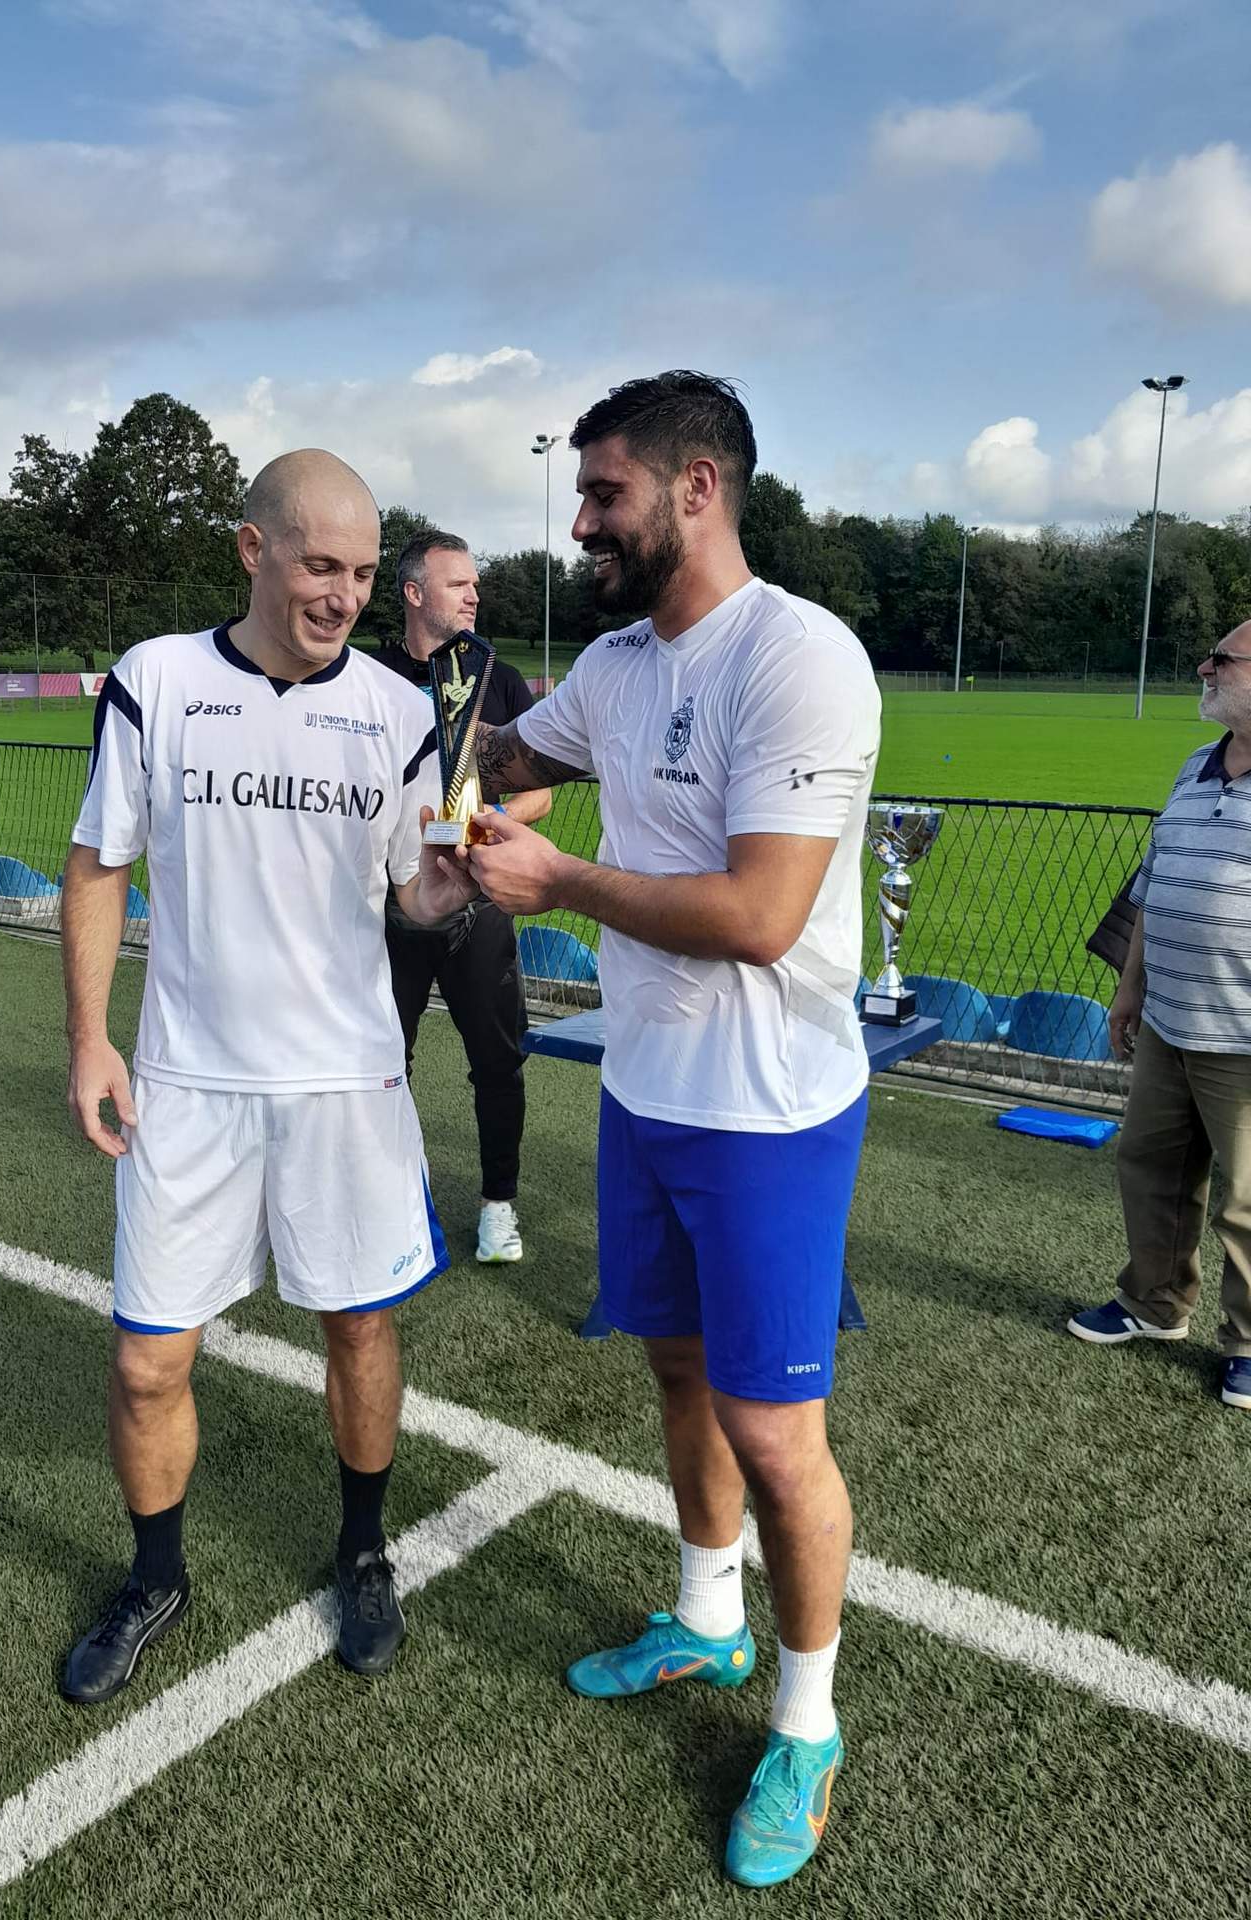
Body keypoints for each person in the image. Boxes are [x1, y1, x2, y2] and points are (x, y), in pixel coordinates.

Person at [468, 372, 880, 1888]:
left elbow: (763, 916)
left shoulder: (799, 657)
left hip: (770, 1113)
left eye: (606, 494)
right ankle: (709, 1619)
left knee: (775, 1434)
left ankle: (807, 1725)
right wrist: (377, 709)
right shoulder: (618, 663)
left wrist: (559, 881)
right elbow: (506, 755)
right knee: (676, 1370)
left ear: (696, 489)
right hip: (645, 1087)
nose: (582, 522)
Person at [59, 449, 474, 1702]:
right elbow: (100, 865)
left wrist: (451, 888)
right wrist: (89, 1039)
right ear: (252, 549)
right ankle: (156, 1576)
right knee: (148, 1359)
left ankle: (364, 1551)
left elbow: (415, 892)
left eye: (364, 573)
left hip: (347, 1085)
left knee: (359, 1325)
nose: (344, 595)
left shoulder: (400, 711)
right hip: (189, 1084)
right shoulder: (158, 682)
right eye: (320, 565)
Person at [1069, 621, 1251, 1411]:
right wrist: (1130, 988)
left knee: (1246, 1200)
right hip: (1169, 1020)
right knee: (1150, 1166)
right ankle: (1155, 1303)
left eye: (1223, 659)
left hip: (1240, 1034)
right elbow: (1151, 884)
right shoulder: (1194, 768)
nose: (1205, 668)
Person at [379, 531, 551, 1263]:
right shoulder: (369, 675)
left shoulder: (498, 678)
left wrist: (483, 824)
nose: (475, 595)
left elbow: (541, 792)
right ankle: (395, 1196)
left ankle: (497, 1207)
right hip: (391, 902)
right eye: (459, 584)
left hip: (476, 897)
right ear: (414, 593)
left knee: (498, 1060)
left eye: (476, 583)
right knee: (384, 1061)